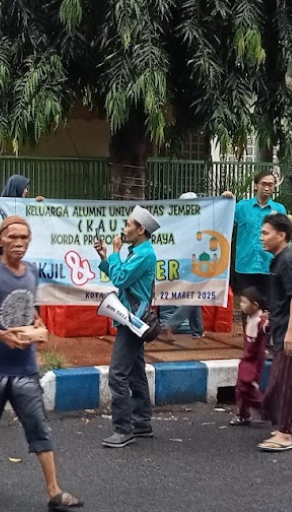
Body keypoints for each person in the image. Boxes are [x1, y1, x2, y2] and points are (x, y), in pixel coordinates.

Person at [0, 215, 83, 511]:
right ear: (0, 240)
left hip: (23, 366)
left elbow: (28, 305)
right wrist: (0, 335)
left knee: (38, 425)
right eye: (12, 237)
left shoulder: (32, 271)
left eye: (24, 237)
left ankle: (54, 491)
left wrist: (37, 322)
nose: (18, 243)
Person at [96, 206, 161, 449]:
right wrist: (106, 258)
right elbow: (121, 276)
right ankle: (142, 422)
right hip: (130, 318)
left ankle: (123, 429)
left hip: (132, 321)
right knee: (135, 371)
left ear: (141, 229)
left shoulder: (144, 254)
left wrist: (114, 252)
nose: (124, 229)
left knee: (117, 374)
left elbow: (121, 279)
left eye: (128, 224)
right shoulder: (138, 252)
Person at [258, 213, 292, 452]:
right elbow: (281, 296)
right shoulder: (279, 259)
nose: (262, 237)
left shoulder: (290, 260)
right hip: (283, 327)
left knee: (285, 383)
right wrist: (271, 316)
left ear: (281, 235)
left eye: (266, 233)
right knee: (290, 381)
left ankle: (285, 434)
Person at [233, 171, 286, 305]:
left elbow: (285, 238)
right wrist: (226, 201)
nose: (267, 188)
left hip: (270, 265)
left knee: (269, 307)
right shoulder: (241, 207)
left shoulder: (279, 209)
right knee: (248, 305)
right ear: (256, 185)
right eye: (264, 184)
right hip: (246, 265)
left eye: (271, 185)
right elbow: (224, 222)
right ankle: (249, 327)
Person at [158, 192, 204, 341]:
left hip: (180, 263)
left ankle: (198, 330)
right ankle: (171, 324)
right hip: (188, 263)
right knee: (195, 295)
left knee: (195, 294)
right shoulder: (193, 222)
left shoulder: (178, 221)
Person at [230, 287, 270, 426]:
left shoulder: (261, 321)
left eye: (244, 302)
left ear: (255, 305)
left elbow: (267, 327)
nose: (240, 304)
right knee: (240, 387)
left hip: (254, 360)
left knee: (245, 386)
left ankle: (264, 407)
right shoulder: (250, 318)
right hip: (246, 358)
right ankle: (243, 414)